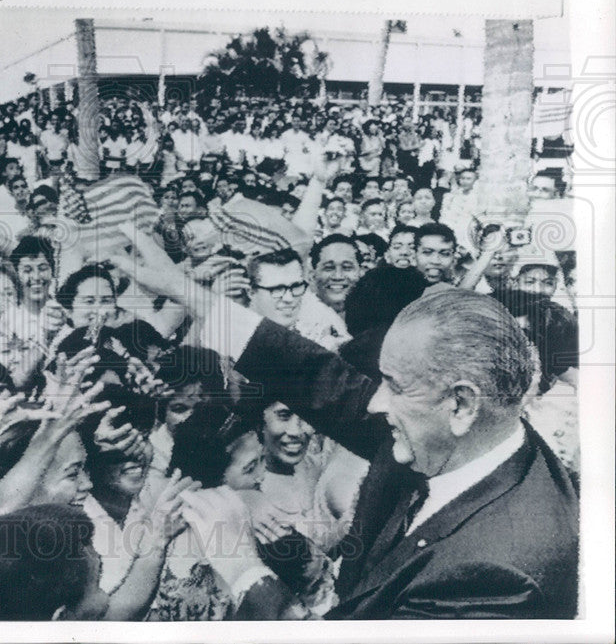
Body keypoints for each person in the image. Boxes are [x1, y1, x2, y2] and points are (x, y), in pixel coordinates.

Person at [121, 234, 578, 619]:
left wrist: (243, 568)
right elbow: (321, 377)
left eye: (395, 387)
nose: (375, 404)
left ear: (461, 403)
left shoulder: (499, 570)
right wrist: (187, 291)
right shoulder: (461, 432)